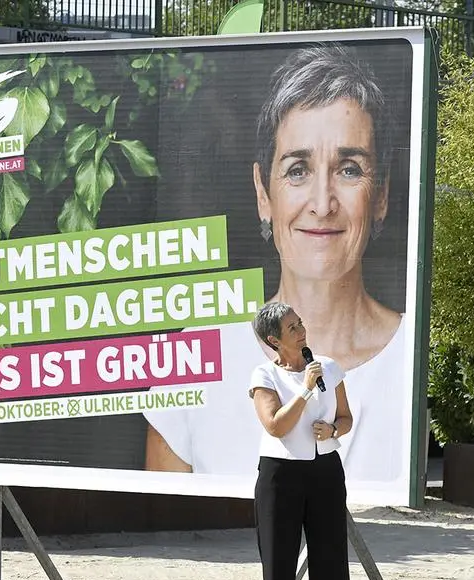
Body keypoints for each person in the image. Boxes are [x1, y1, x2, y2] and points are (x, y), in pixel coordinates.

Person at [145, 44, 410, 498]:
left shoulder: (411, 356)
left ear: (381, 193)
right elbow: (168, 541)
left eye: (349, 169)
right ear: (263, 194)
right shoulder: (196, 356)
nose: (322, 204)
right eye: (297, 170)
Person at [247, 301, 364, 580]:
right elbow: (276, 426)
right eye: (292, 327)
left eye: (300, 323)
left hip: (325, 470)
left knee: (330, 560)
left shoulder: (328, 367)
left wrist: (333, 430)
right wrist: (305, 389)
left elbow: (345, 418)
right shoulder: (264, 375)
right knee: (279, 562)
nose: (302, 331)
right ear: (274, 339)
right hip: (280, 474)